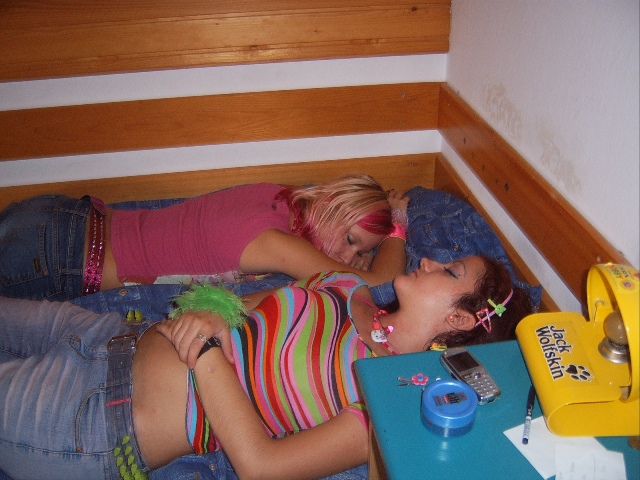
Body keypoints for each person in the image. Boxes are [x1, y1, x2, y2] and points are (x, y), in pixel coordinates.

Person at [0, 255, 533, 480]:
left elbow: (263, 467)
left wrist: (206, 352)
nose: (429, 261)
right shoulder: (347, 286)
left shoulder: (384, 401)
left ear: (461, 318)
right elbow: (235, 308)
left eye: (450, 271)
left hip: (94, 418)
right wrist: (212, 311)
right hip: (104, 334)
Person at [0, 174, 408, 302]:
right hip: (58, 259)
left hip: (59, 219)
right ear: (333, 205)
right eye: (350, 238)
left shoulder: (280, 196)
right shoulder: (279, 245)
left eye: (360, 251)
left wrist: (355, 250)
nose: (346, 256)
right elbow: (378, 286)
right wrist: (398, 225)